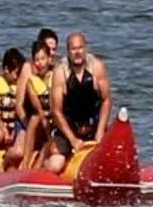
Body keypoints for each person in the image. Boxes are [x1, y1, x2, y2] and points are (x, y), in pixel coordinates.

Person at [52, 31, 112, 159]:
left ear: (85, 48)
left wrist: (100, 131)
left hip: (94, 128)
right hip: (69, 131)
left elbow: (106, 100)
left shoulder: (97, 67)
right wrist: (73, 140)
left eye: (80, 48)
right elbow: (56, 112)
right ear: (68, 51)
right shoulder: (60, 72)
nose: (77, 52)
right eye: (73, 49)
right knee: (56, 163)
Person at [16, 40, 58, 170]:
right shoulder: (31, 82)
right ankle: (26, 163)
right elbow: (38, 108)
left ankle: (37, 167)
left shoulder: (56, 76)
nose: (40, 63)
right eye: (37, 60)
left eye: (43, 59)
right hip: (40, 123)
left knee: (48, 142)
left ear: (49, 58)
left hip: (56, 122)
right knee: (35, 118)